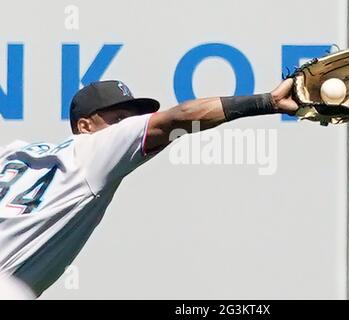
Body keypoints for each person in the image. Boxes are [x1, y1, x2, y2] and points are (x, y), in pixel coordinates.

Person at [0, 78, 298, 298]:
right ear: (85, 126)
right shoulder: (95, 150)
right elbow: (178, 118)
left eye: (132, 118)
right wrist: (266, 102)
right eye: (117, 119)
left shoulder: (16, 154)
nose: (128, 125)